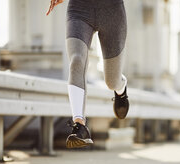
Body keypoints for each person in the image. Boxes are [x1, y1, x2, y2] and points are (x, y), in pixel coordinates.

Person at [47, 0, 129, 148]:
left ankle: (121, 89)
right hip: (79, 9)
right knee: (77, 60)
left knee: (112, 81)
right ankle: (79, 125)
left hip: (112, 12)